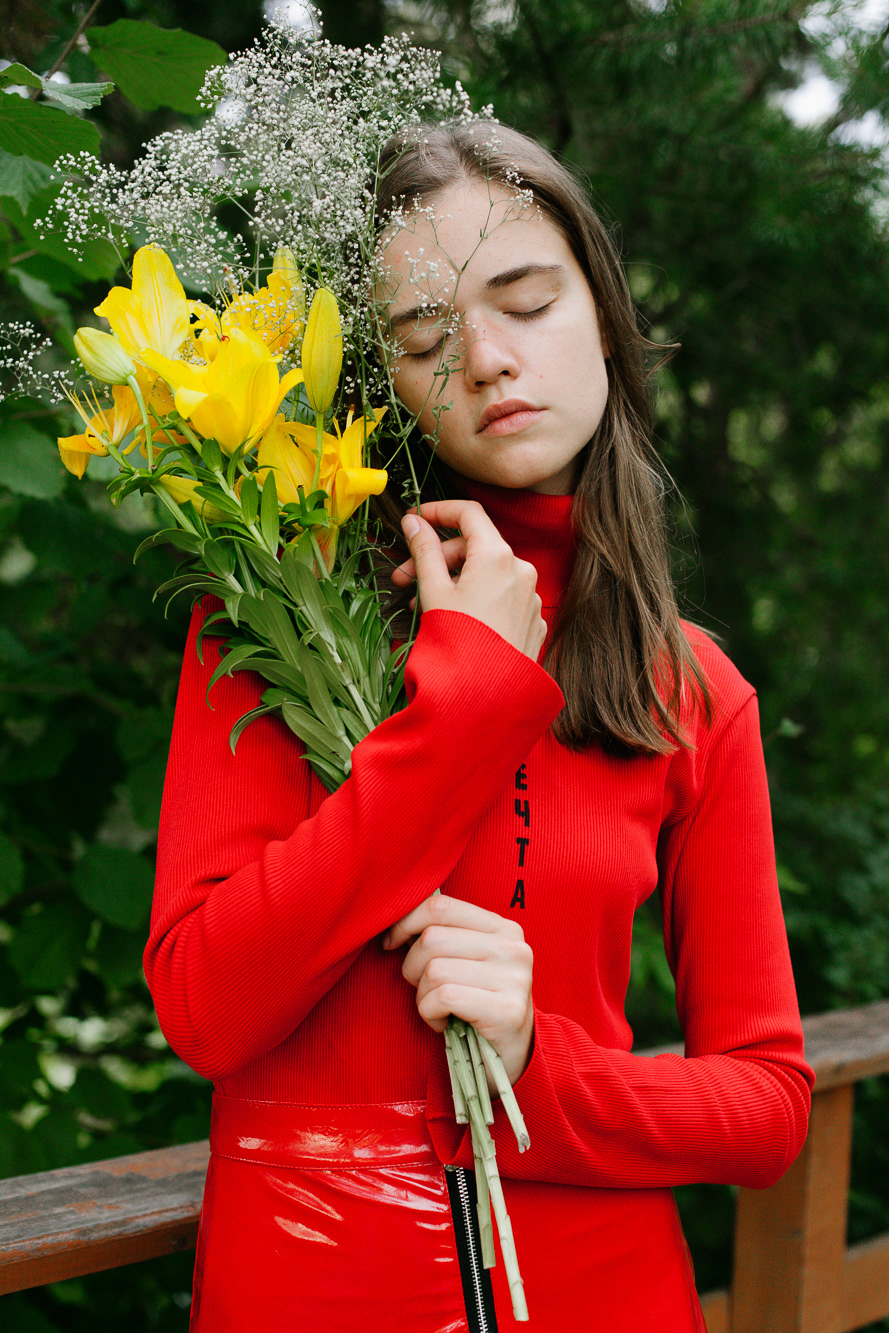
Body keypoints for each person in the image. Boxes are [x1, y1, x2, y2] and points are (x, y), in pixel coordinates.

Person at [146, 121, 814, 1332]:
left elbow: (768, 1107)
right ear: (386, 382)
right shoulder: (271, 614)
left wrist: (536, 1066)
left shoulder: (691, 689)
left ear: (603, 314)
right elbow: (206, 1003)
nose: (491, 360)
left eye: (528, 300)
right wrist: (462, 702)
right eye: (424, 339)